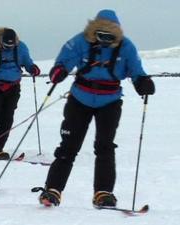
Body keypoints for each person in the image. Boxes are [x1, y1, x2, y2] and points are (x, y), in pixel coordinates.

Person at [38, 10, 155, 207]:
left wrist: (143, 82)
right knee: (68, 146)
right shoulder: (80, 41)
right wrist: (59, 71)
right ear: (94, 32)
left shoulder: (126, 46)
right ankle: (52, 190)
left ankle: (103, 193)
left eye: (110, 37)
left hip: (110, 102)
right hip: (79, 99)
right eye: (101, 36)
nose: (105, 41)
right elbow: (64, 61)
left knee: (105, 146)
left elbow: (136, 70)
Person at [0, 27, 40, 160]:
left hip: (13, 87)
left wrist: (32, 68)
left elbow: (27, 62)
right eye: (6, 45)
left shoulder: (21, 47)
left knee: (7, 119)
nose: (9, 47)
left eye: (11, 45)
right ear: (0, 41)